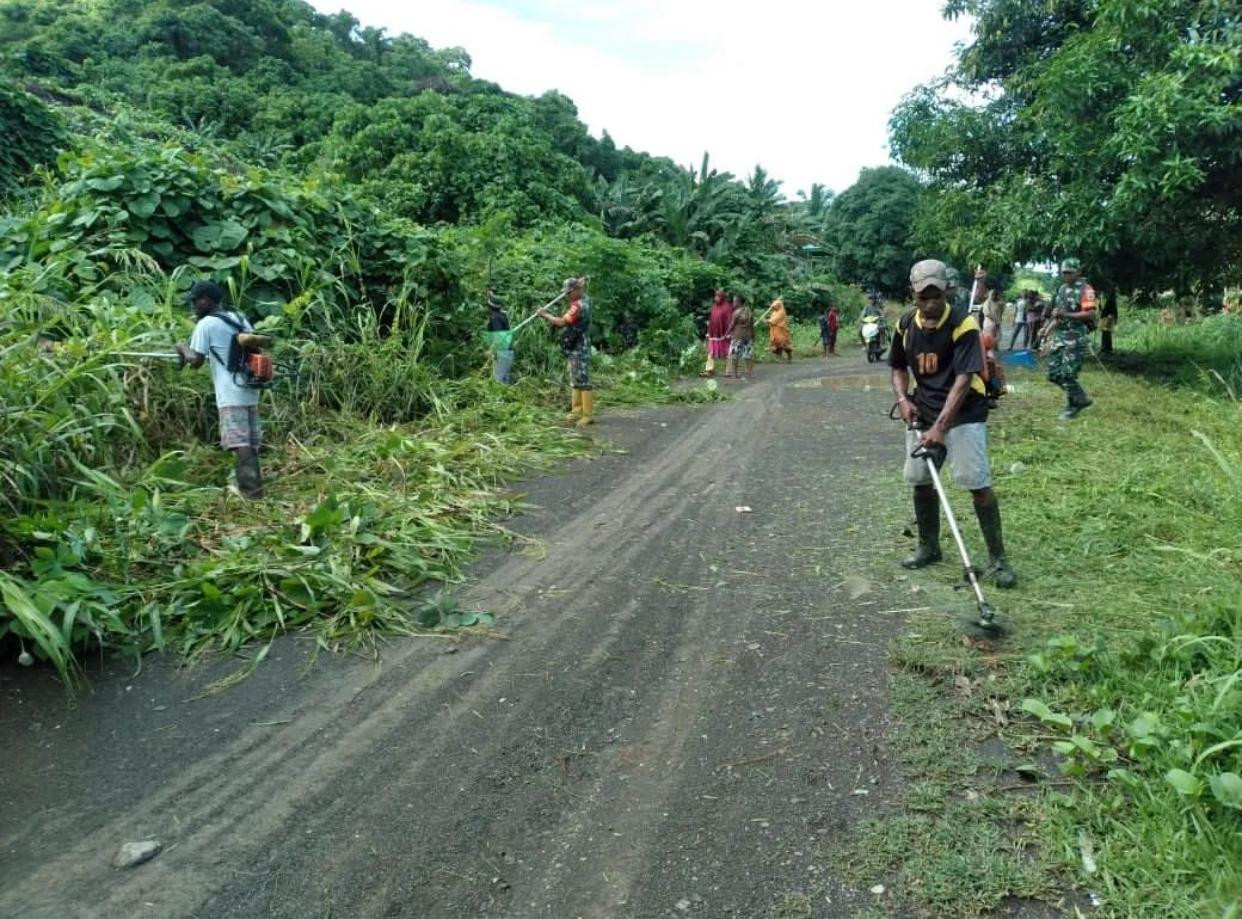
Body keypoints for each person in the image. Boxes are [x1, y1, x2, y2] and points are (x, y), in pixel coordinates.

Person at [890, 259, 1016, 588]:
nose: (930, 304)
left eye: (936, 296)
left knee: (975, 481)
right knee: (920, 478)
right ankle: (929, 546)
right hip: (924, 411)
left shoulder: (963, 325)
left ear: (948, 290)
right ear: (913, 295)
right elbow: (898, 367)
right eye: (923, 297)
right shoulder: (905, 324)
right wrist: (904, 400)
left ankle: (998, 559)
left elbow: (963, 382)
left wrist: (940, 429)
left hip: (964, 412)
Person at [175, 280, 265, 499]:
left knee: (239, 442)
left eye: (195, 302)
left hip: (229, 392)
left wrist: (181, 347)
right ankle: (256, 489)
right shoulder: (239, 318)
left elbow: (195, 361)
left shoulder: (206, 324)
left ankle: (252, 493)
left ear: (205, 300)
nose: (193, 307)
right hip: (249, 388)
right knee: (250, 441)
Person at [538, 277, 594, 426]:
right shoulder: (585, 298)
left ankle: (587, 414)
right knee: (574, 377)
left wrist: (545, 314)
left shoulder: (579, 306)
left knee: (582, 378)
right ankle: (576, 411)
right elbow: (581, 289)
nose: (567, 296)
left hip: (579, 346)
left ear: (576, 291)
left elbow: (562, 322)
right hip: (576, 344)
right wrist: (580, 284)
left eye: (569, 293)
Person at [1046, 258, 1097, 419]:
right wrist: (1046, 330)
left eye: (1069, 272)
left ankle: (1072, 405)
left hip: (1076, 336)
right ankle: (1080, 398)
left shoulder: (1085, 289)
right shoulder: (1061, 289)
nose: (1066, 276)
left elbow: (1090, 313)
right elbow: (1057, 315)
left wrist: (1066, 315)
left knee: (1068, 374)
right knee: (1053, 373)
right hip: (1060, 336)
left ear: (1078, 272)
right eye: (1064, 273)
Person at [485, 289, 514, 384]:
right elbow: (496, 303)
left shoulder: (495, 318)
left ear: (489, 307)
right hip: (509, 351)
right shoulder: (503, 314)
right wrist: (491, 295)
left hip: (502, 352)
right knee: (505, 380)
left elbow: (499, 337)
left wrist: (491, 350)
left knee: (498, 383)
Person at [701, 288, 732, 376]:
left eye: (718, 296)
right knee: (711, 351)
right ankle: (709, 369)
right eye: (715, 296)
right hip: (714, 334)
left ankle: (728, 370)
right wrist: (708, 332)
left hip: (724, 334)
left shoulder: (727, 307)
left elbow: (729, 320)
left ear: (722, 297)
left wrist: (729, 333)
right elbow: (711, 320)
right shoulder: (714, 307)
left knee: (728, 352)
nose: (716, 298)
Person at [724, 293, 755, 379]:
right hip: (747, 337)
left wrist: (725, 334)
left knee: (734, 355)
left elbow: (731, 325)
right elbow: (752, 326)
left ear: (738, 302)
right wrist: (753, 336)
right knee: (748, 355)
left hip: (737, 336)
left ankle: (734, 374)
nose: (733, 303)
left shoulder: (736, 313)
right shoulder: (749, 312)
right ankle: (750, 373)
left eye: (734, 301)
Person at [765, 297, 792, 362]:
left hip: (781, 330)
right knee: (776, 344)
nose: (774, 308)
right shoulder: (774, 312)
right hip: (774, 331)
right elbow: (772, 318)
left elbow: (775, 320)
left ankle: (789, 356)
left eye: (775, 306)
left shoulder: (781, 312)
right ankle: (779, 357)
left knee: (783, 343)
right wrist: (768, 319)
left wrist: (767, 321)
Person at [1098, 289, 1118, 355]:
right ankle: (1106, 348)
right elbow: (1103, 309)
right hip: (1105, 317)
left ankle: (1106, 348)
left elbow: (1113, 310)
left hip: (1108, 317)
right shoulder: (1106, 299)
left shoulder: (1111, 300)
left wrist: (1111, 317)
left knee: (1106, 333)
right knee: (1105, 333)